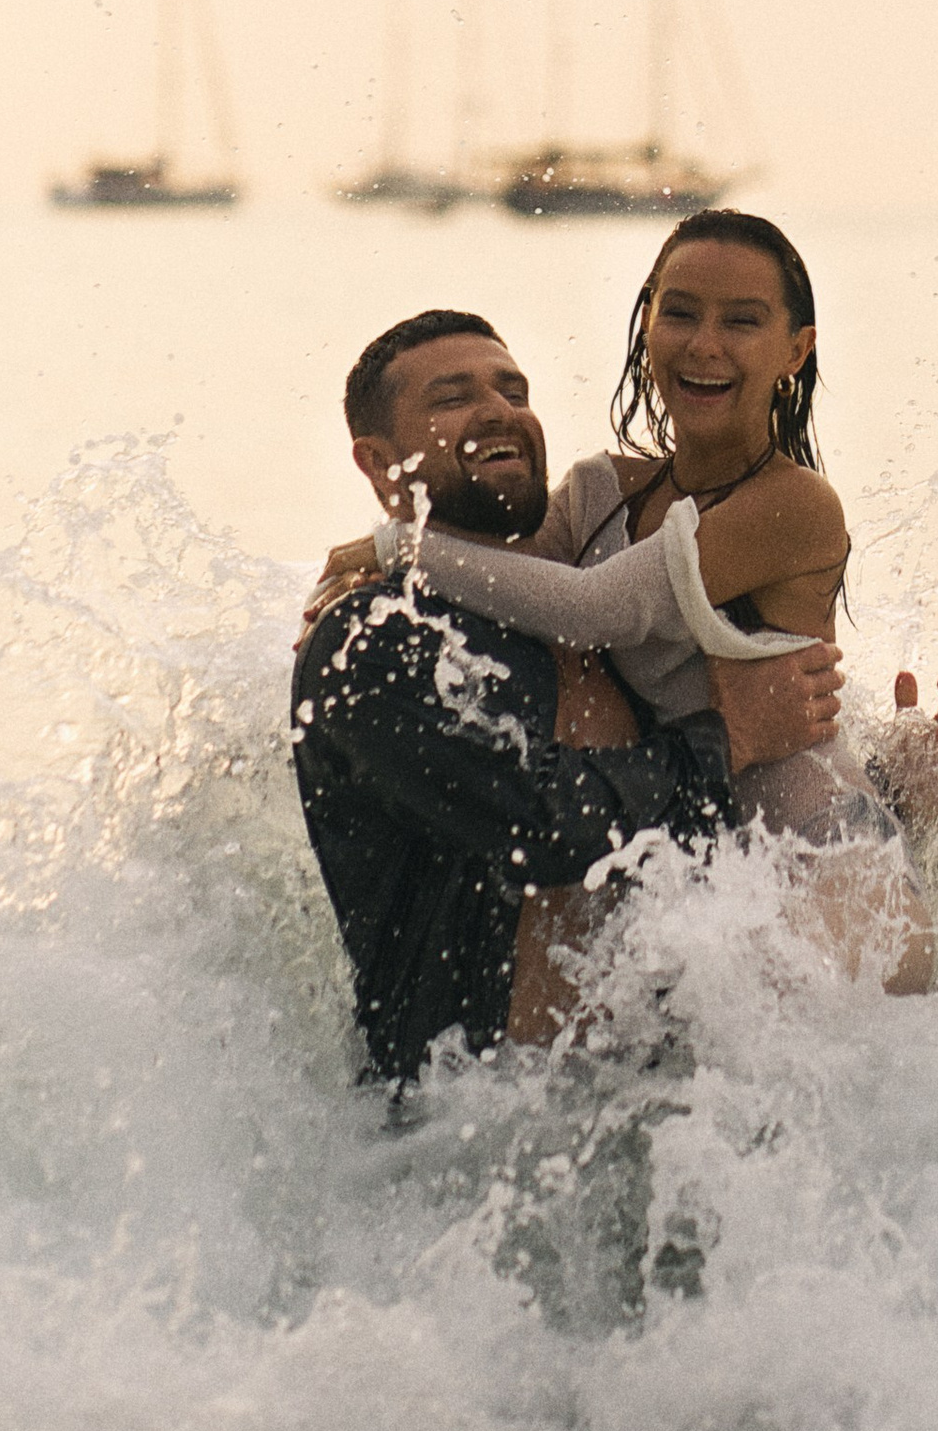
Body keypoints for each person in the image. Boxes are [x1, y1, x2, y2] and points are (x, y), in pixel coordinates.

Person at [313, 214, 938, 992]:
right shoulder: (598, 492)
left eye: (743, 321)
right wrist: (364, 601)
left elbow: (591, 609)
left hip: (835, 871)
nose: (704, 343)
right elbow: (505, 588)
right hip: (715, 877)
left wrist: (395, 548)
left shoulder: (794, 506)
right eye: (681, 312)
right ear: (647, 323)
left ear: (795, 351)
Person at [290, 305, 847, 1085]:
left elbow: (724, 811)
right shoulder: (374, 638)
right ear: (381, 465)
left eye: (514, 391)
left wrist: (892, 789)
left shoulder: (582, 614)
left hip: (667, 1106)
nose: (497, 410)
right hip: (469, 1131)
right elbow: (535, 822)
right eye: (452, 398)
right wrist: (731, 740)